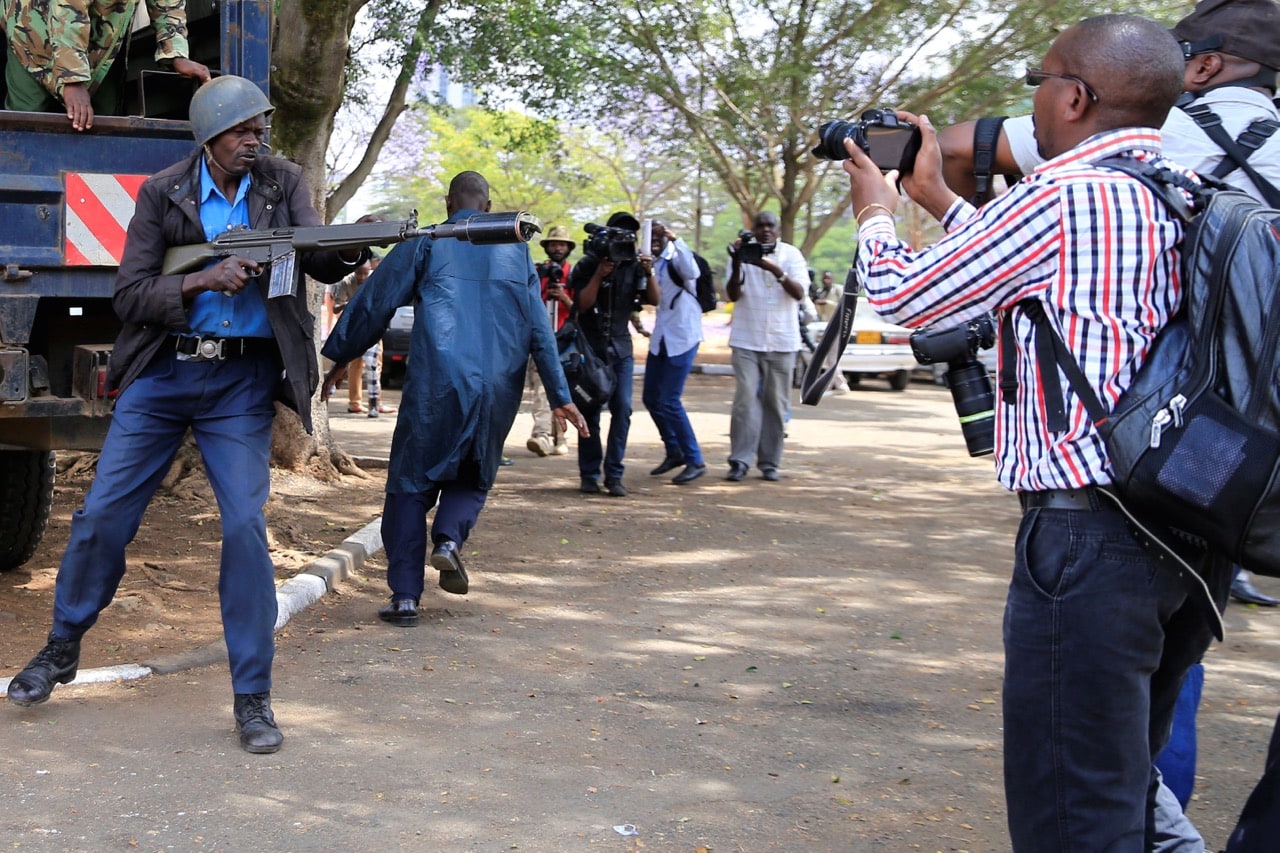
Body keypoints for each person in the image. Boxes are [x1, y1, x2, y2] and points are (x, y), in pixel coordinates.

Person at [843, 15, 1231, 849]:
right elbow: (1024, 266)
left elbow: (908, 300)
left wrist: (876, 212)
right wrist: (939, 199)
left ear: (1076, 96)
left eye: (1042, 80)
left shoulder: (1064, 195)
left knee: (1074, 812)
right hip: (1184, 529)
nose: (1039, 97)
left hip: (1090, 539)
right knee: (1124, 782)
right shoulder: (1178, 186)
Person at [935, 0, 1280, 823]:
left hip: (1128, 486)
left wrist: (891, 196)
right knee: (1163, 667)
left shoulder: (1134, 154)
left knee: (1093, 776)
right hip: (1240, 482)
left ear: (1195, 68)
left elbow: (954, 153)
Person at [3, 76, 368, 754]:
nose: (255, 139)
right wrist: (204, 277)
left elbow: (316, 250)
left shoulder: (281, 182)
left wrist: (352, 246)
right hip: (164, 374)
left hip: (241, 383)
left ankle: (252, 697)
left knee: (243, 526)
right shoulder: (162, 191)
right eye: (241, 130)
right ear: (209, 137)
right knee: (104, 513)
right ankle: (61, 645)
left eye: (260, 128)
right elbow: (131, 292)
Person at [322, 171, 588, 627]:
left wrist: (335, 361)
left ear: (449, 203)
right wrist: (560, 394)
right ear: (487, 208)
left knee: (409, 485)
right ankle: (447, 542)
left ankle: (405, 597)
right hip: (497, 386)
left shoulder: (427, 240)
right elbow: (540, 331)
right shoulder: (517, 253)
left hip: (437, 384)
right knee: (475, 473)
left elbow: (374, 303)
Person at [3, 0, 211, 131]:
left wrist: (175, 52)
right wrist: (72, 79)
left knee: (103, 121)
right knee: (25, 117)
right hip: (31, 34)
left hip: (102, 38)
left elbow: (168, 3)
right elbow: (68, 6)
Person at [569, 211, 658, 497]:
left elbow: (654, 300)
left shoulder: (634, 266)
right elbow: (581, 306)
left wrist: (649, 272)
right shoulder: (587, 264)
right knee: (590, 410)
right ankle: (589, 474)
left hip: (621, 348)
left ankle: (615, 475)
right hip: (590, 348)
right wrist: (599, 274)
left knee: (623, 410)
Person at [723, 211, 809, 482]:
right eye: (759, 226)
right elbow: (733, 295)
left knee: (775, 402)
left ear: (778, 230)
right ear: (753, 229)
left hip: (783, 341)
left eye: (769, 225)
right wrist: (738, 262)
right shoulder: (742, 254)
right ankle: (740, 460)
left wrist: (773, 268)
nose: (765, 230)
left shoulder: (791, 255)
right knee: (745, 400)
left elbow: (799, 294)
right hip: (747, 339)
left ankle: (770, 462)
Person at [641, 220, 706, 484]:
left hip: (683, 335)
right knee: (650, 397)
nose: (655, 241)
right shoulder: (650, 262)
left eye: (659, 236)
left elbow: (692, 272)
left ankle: (695, 460)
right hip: (662, 337)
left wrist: (675, 238)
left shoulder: (678, 256)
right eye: (650, 236)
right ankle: (674, 451)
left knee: (669, 399)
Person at [525, 225, 577, 457]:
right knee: (541, 389)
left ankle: (561, 436)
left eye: (562, 244)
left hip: (566, 342)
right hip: (541, 340)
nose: (557, 248)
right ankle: (542, 435)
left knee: (562, 389)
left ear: (568, 248)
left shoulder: (575, 274)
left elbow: (581, 311)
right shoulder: (538, 272)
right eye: (554, 244)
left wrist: (564, 297)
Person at [323, 256, 397, 417]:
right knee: (341, 366)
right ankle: (338, 402)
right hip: (351, 330)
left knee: (372, 367)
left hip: (371, 329)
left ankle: (374, 404)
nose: (362, 278)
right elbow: (335, 309)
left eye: (365, 274)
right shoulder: (345, 282)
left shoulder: (375, 281)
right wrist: (351, 304)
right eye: (359, 274)